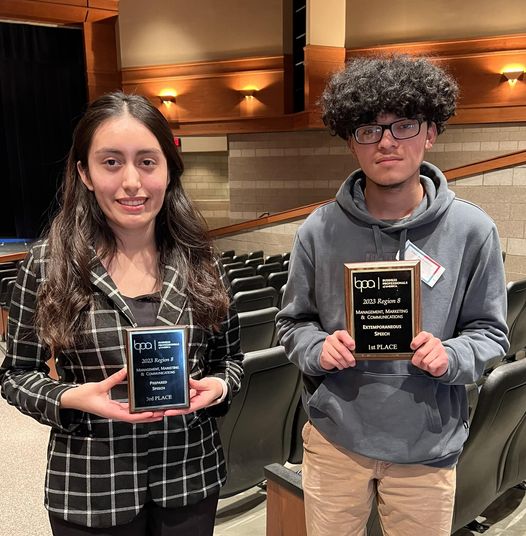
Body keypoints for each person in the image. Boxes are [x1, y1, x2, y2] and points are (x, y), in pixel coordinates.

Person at [276, 55, 509, 535]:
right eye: (368, 129)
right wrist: (319, 349)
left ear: (430, 132)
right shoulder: (317, 231)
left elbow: (490, 334)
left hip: (427, 447)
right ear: (351, 140)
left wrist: (451, 355)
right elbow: (292, 323)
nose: (386, 141)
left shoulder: (472, 230)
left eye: (403, 125)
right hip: (334, 440)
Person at [0, 92, 243, 535]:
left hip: (189, 477)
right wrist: (71, 397)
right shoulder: (46, 263)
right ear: (85, 173)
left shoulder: (203, 261)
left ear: (169, 170)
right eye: (112, 162)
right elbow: (15, 374)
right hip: (92, 484)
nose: (132, 181)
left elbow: (231, 362)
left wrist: (219, 386)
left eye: (147, 162)